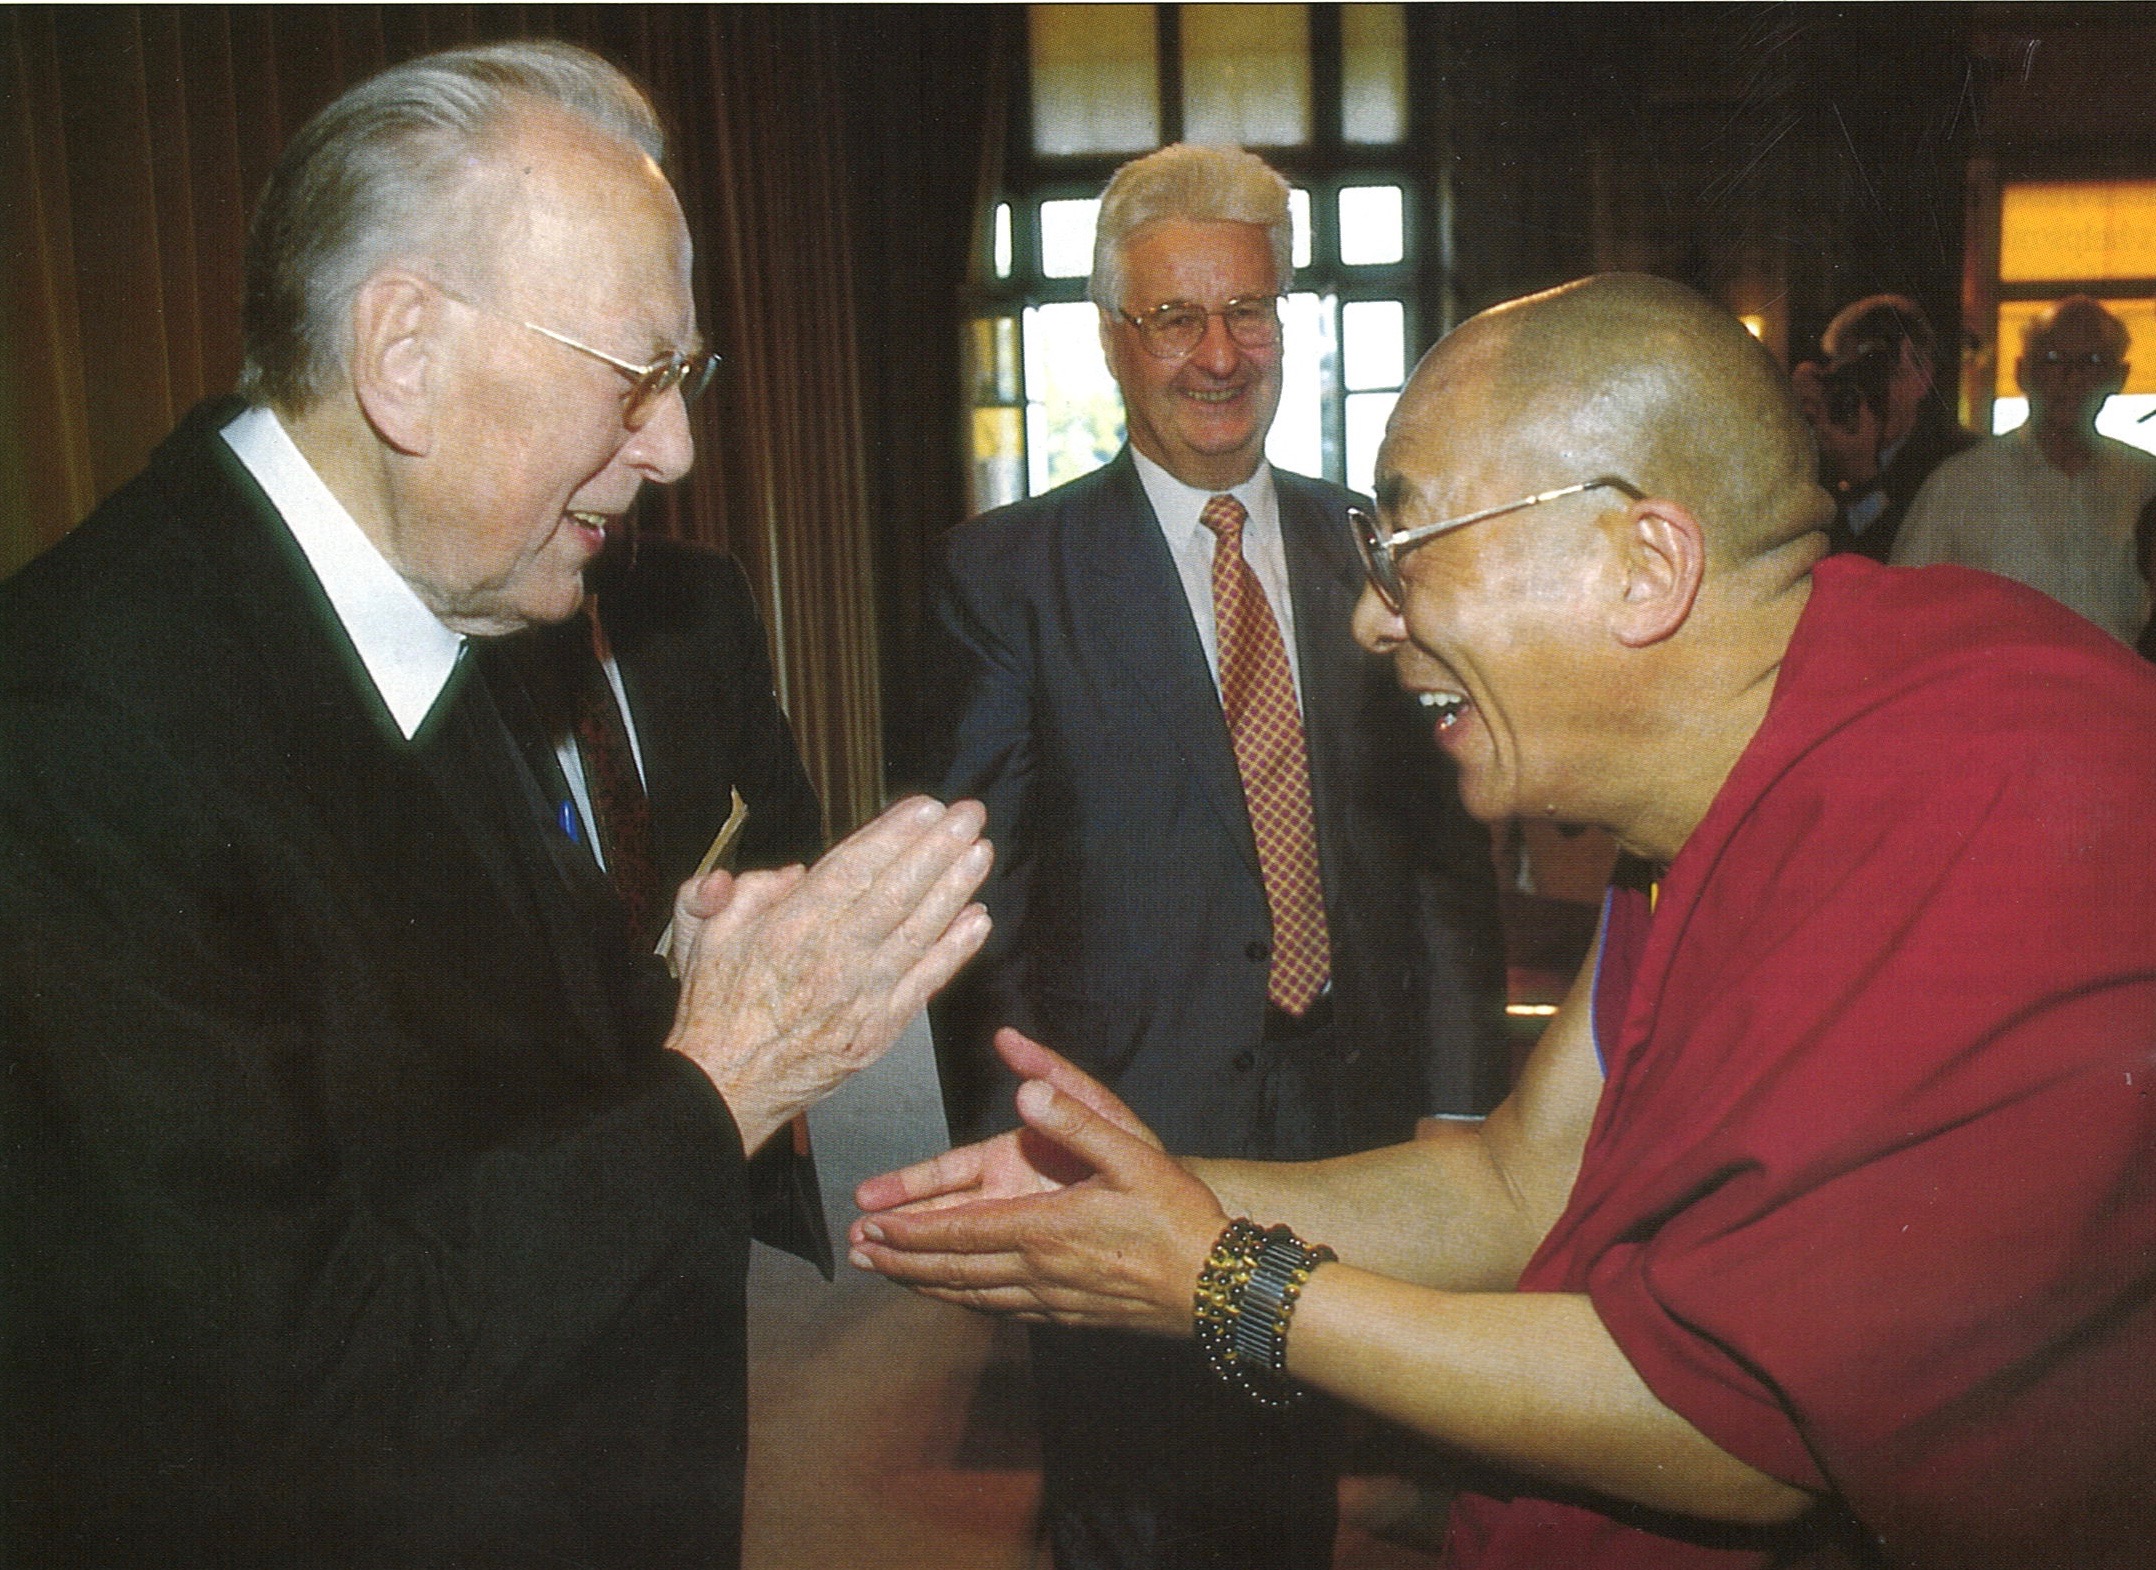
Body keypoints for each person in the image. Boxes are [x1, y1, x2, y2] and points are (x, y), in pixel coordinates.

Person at [856, 273, 2156, 1569]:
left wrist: (1222, 1279)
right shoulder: (1708, 799)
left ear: (1643, 565)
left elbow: (1739, 1427)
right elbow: (1519, 1182)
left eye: (1409, 548)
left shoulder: (1991, 786)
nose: (1371, 617)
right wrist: (1140, 1198)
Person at [0, 41, 992, 1570]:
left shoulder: (427, 606)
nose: (674, 448)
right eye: (638, 374)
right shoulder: (82, 722)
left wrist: (696, 983)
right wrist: (724, 1073)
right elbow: (280, 1386)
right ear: (405, 353)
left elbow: (486, 1107)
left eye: (685, 381)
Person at [928, 143, 1507, 1569]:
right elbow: (981, 904)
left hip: (1344, 1118)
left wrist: (1451, 1101)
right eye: (1176, 317)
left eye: (1248, 309)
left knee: (1286, 1480)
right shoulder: (1007, 575)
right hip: (1135, 1129)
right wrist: (1031, 1148)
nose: (1217, 352)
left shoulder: (1371, 551)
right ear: (1115, 339)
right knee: (1132, 1503)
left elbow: (1440, 855)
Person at [1893, 295, 2156, 643]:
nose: (2071, 376)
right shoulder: (1962, 483)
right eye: (2052, 360)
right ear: (2021, 372)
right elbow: (1901, 608)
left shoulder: (2144, 481)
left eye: (2091, 361)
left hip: (2120, 693)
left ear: (2118, 377)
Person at [1797, 294, 1974, 562]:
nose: (1868, 390)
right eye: (1852, 376)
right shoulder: (1820, 455)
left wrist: (1860, 476)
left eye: (1881, 375)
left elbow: (1901, 571)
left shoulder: (1959, 464)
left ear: (1923, 376)